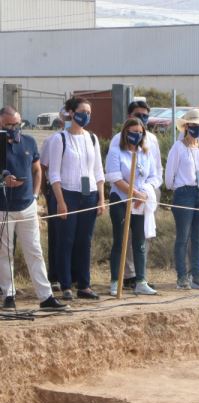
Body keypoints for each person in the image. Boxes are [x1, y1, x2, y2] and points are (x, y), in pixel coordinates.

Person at [0, 107, 66, 310]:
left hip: (27, 205)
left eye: (16, 124)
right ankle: (8, 295)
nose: (13, 128)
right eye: (8, 125)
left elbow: (37, 170)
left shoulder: (29, 141)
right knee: (5, 252)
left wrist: (36, 195)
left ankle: (46, 297)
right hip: (3, 208)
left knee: (35, 251)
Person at [48, 97, 105, 300]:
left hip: (89, 195)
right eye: (82, 111)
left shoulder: (92, 138)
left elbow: (98, 171)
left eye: (89, 112)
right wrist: (61, 202)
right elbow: (53, 174)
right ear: (71, 113)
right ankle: (65, 285)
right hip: (67, 195)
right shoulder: (59, 139)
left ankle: (84, 285)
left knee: (84, 241)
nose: (86, 115)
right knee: (66, 241)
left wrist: (101, 198)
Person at [110, 100, 163, 289]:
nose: (137, 136)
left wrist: (145, 192)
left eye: (140, 133)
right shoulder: (116, 148)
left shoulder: (146, 151)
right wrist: (135, 194)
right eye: (133, 133)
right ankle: (116, 280)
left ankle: (141, 280)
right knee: (120, 240)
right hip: (122, 199)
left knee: (140, 240)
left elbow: (155, 173)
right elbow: (115, 178)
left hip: (142, 200)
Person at [165, 109, 199, 290]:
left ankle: (197, 275)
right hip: (184, 192)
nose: (197, 128)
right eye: (193, 125)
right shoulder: (178, 147)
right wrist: (179, 186)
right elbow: (169, 177)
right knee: (183, 236)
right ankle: (182, 276)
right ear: (186, 126)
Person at [39, 106, 71, 292]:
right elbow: (43, 168)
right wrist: (46, 192)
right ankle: (55, 277)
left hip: (77, 192)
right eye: (65, 116)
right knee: (57, 237)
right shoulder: (53, 140)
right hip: (56, 191)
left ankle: (72, 275)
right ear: (60, 119)